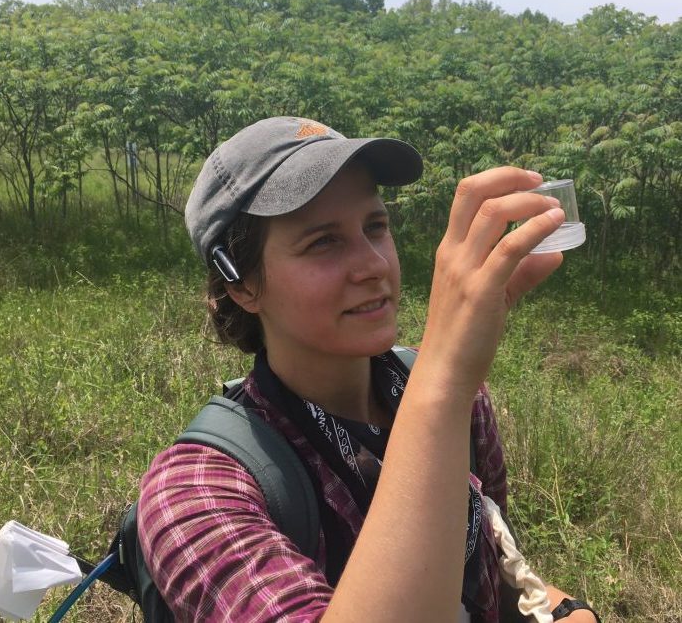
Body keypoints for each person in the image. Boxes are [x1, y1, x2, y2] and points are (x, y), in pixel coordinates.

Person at [137, 116, 599, 622]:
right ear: (242, 284)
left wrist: (563, 610)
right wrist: (443, 383)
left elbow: (484, 562)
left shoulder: (457, 397)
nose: (374, 264)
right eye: (323, 242)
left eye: (375, 226)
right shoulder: (197, 491)